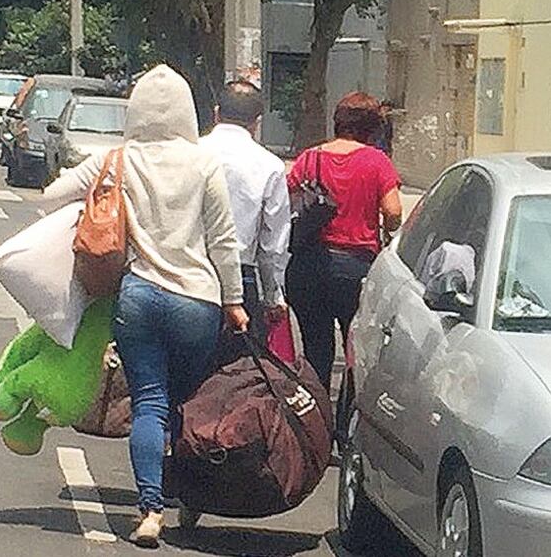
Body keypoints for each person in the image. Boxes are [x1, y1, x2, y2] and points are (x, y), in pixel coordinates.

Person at [44, 65, 248, 548]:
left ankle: (151, 510)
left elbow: (51, 195)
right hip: (197, 300)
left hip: (137, 297)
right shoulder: (203, 164)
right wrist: (234, 301)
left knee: (149, 404)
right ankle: (190, 495)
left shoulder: (117, 158)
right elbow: (223, 241)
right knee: (187, 402)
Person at [285, 92, 403, 390]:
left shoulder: (308, 158)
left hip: (307, 265)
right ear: (372, 128)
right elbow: (393, 212)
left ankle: (316, 425)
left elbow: (285, 203)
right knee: (356, 353)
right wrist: (388, 230)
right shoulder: (377, 162)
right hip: (354, 268)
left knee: (315, 351)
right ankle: (346, 421)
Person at [200, 80, 291, 364]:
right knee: (237, 377)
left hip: (185, 271)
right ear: (257, 123)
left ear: (216, 114)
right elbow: (273, 243)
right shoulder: (270, 166)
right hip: (241, 278)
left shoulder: (190, 152)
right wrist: (273, 296)